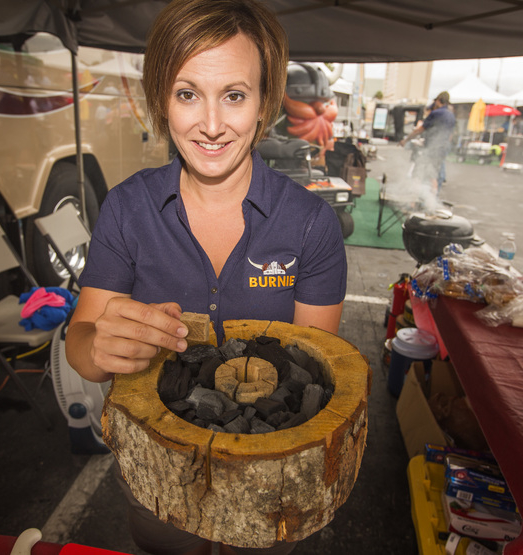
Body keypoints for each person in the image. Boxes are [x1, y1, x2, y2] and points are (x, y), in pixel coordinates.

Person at [65, 0, 347, 553]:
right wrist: (100, 348)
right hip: (158, 476)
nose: (212, 125)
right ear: (161, 99)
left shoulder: (311, 225)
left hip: (268, 483)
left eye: (234, 95)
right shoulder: (126, 209)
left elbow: (316, 374)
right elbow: (81, 346)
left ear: (264, 103)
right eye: (187, 94)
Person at [399, 91, 456, 194]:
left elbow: (420, 130)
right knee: (435, 174)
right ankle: (433, 198)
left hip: (432, 148)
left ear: (438, 100)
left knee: (422, 173)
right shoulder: (451, 115)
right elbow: (450, 135)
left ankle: (418, 197)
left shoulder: (436, 113)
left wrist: (406, 140)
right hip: (443, 148)